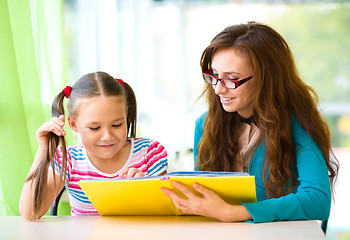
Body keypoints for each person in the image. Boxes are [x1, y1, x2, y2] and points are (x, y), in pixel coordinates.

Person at [161, 22, 339, 223]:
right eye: (215, 76)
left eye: (232, 79)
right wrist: (149, 182)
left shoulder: (298, 121)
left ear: (267, 79)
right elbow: (201, 198)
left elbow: (317, 201)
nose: (218, 89)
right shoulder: (205, 124)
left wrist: (231, 213)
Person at [20, 72, 168, 220]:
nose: (107, 136)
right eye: (95, 128)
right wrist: (44, 150)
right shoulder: (68, 159)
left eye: (117, 125)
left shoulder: (149, 153)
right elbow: (30, 212)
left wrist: (148, 190)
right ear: (73, 124)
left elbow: (169, 212)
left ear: (126, 115)